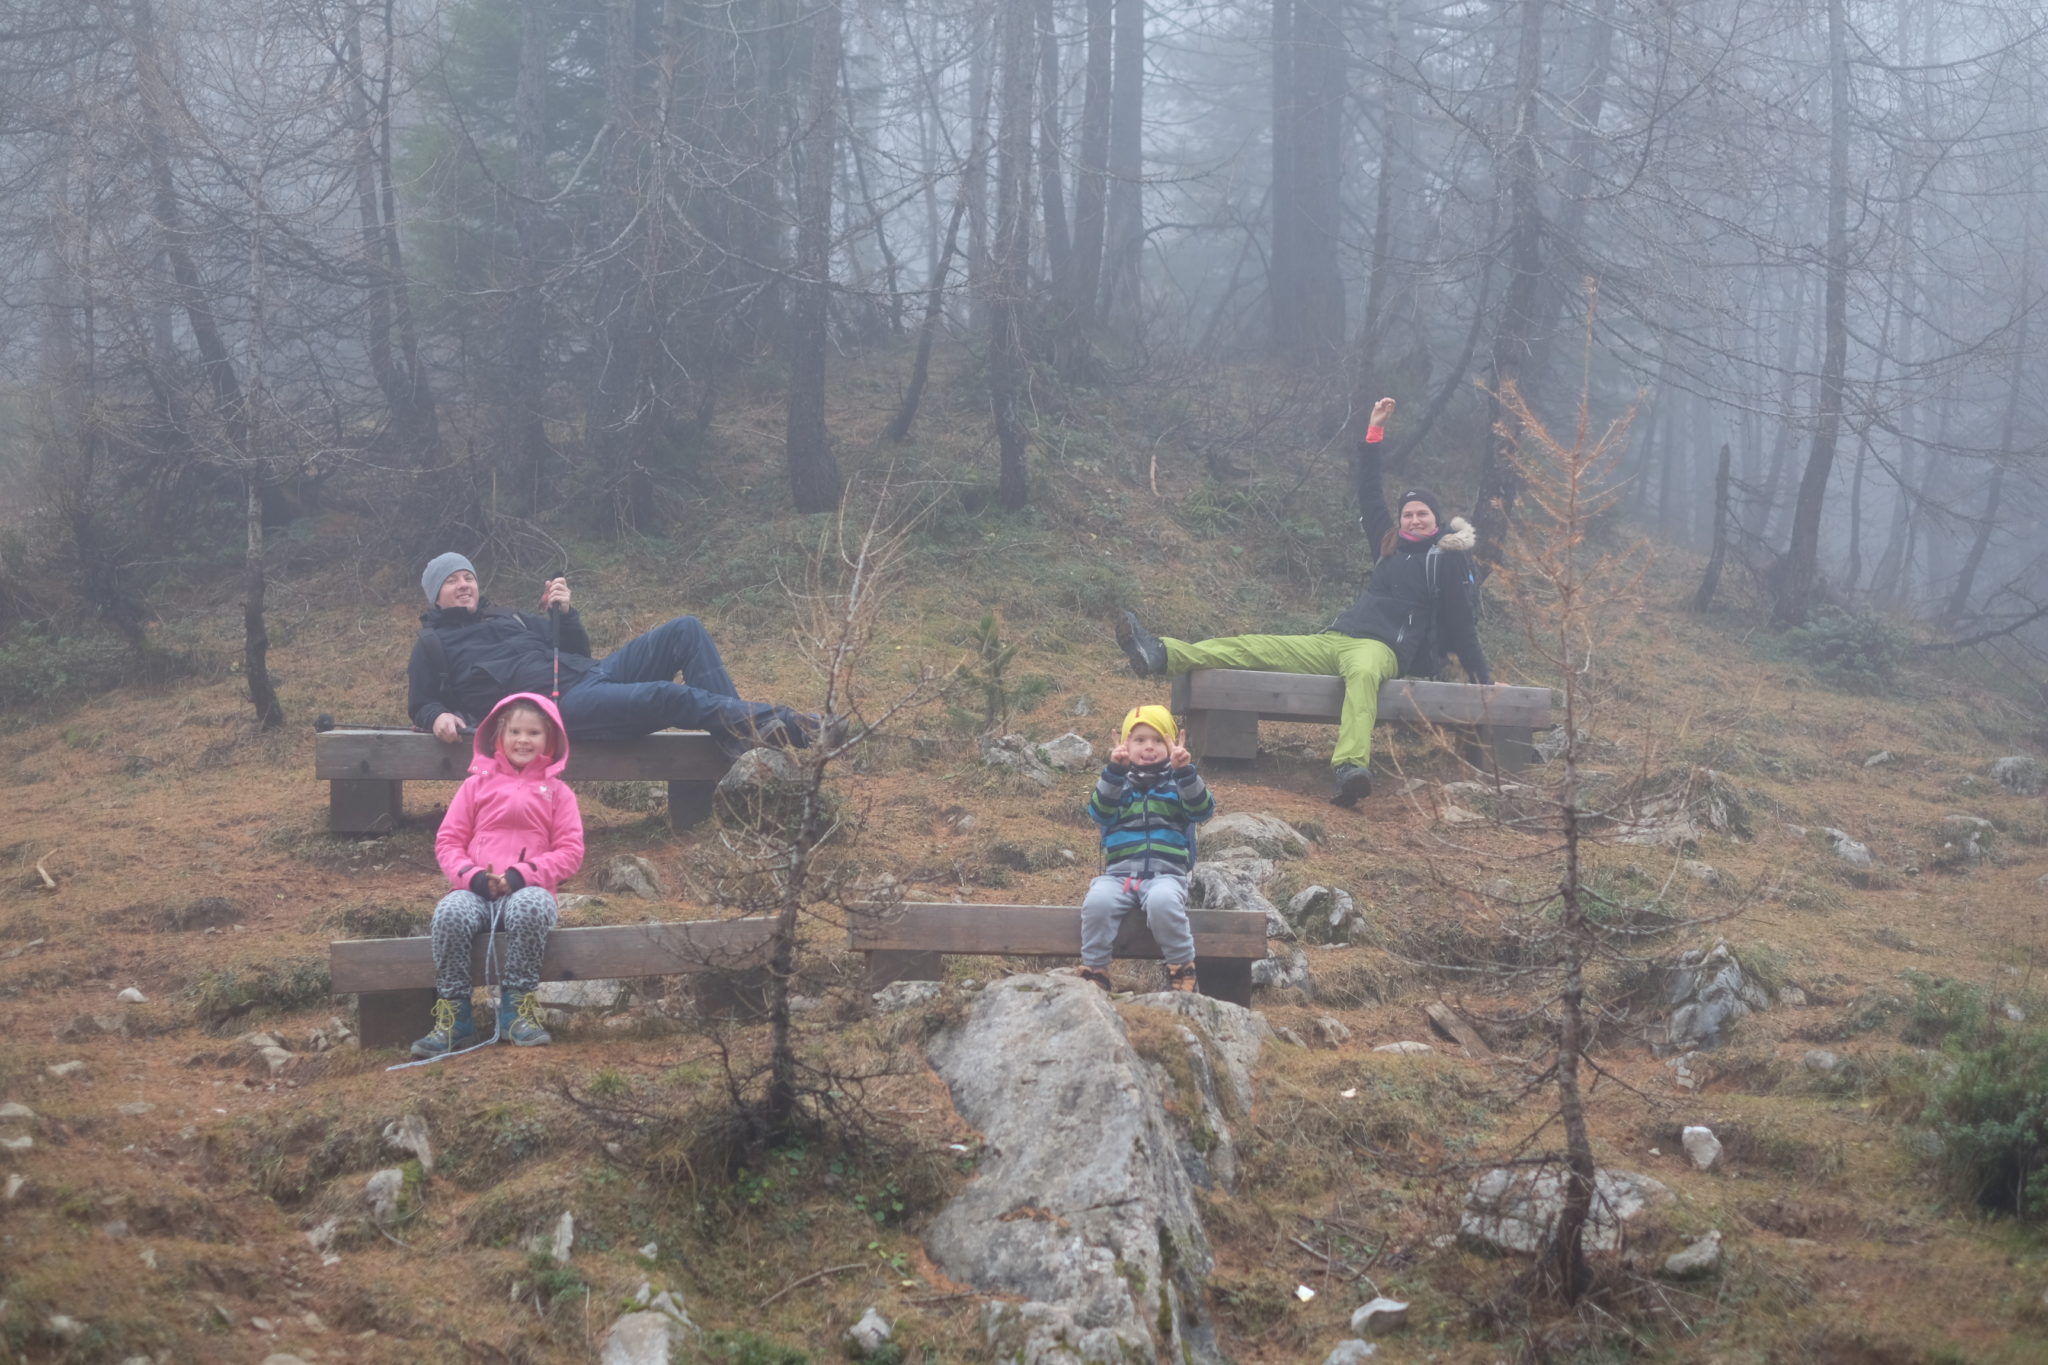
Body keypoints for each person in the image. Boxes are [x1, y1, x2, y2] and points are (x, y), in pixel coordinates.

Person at [1113, 397, 1492, 807]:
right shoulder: (1387, 543)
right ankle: (1161, 654)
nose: (1414, 520)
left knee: (1362, 678)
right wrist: (1374, 432)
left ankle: (1350, 768)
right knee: (1253, 646)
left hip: (1381, 650)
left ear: (1436, 520)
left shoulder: (1446, 560)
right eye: (1408, 514)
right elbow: (1368, 490)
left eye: (1423, 514)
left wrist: (1484, 682)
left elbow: (1461, 624)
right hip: (1335, 638)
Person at [408, 552, 833, 755]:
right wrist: (437, 717)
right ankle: (792, 726)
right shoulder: (434, 645)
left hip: (591, 675)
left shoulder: (510, 618)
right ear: (436, 595)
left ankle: (743, 750)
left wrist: (565, 614)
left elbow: (576, 651)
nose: (464, 585)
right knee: (666, 695)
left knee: (684, 629)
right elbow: (422, 704)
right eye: (452, 581)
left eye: (468, 577)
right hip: (557, 710)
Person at [412, 693, 585, 1057]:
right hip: (476, 891)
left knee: (531, 907)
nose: (524, 740)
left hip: (529, 890)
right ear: (499, 736)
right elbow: (448, 841)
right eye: (516, 731)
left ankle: (517, 1010)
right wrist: (472, 877)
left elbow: (570, 852)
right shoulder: (475, 785)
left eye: (534, 733)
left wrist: (522, 875)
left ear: (550, 739)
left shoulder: (559, 793)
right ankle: (454, 1015)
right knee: (449, 913)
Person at [1079, 705, 1215, 994]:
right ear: (1125, 744)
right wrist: (1114, 772)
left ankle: (1182, 967)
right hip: (1119, 876)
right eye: (1139, 740)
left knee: (1163, 902)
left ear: (1172, 744)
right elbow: (1099, 812)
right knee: (1097, 902)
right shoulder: (1117, 785)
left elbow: (1202, 810)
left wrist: (1186, 773)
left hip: (1166, 875)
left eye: (1157, 740)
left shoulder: (1178, 784)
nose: (1149, 747)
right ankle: (1096, 969)